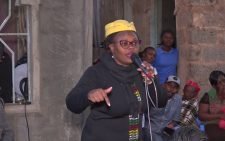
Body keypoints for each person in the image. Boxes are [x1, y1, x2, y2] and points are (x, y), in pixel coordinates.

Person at [66, 19, 168, 141]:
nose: (131, 47)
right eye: (124, 43)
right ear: (112, 47)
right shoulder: (97, 72)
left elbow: (161, 102)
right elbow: (72, 103)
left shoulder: (142, 70)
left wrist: (151, 82)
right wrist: (88, 95)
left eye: (135, 43)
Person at [143, 75, 182, 141]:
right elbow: (144, 115)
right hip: (151, 129)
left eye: (175, 87)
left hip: (165, 131)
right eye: (169, 85)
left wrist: (172, 124)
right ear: (164, 85)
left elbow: (176, 119)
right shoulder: (155, 95)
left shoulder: (178, 99)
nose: (171, 89)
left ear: (177, 90)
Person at [199, 70, 225, 141]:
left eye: (224, 80)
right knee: (218, 136)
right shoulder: (208, 96)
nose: (224, 84)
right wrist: (219, 115)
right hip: (213, 123)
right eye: (220, 82)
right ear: (214, 86)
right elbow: (201, 115)